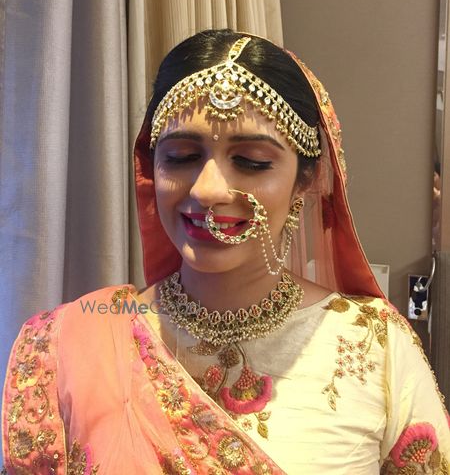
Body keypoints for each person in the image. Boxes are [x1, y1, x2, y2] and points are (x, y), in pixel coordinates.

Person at [2, 29, 449, 474]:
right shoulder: (66, 346)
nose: (208, 190)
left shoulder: (374, 347)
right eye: (180, 157)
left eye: (252, 162)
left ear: (307, 180)